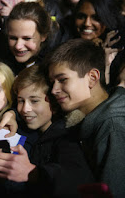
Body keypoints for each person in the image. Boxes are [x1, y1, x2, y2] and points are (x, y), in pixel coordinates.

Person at [0, 65, 94, 197]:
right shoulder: (21, 127)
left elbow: (76, 180)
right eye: (21, 101)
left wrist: (34, 173)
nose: (25, 109)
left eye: (34, 101)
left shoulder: (68, 138)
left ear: (54, 103)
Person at [45, 38, 125, 197]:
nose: (54, 90)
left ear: (92, 78)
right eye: (52, 82)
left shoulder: (112, 125)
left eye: (62, 80)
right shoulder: (99, 116)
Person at [4, 2, 52, 75]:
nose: (18, 46)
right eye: (13, 38)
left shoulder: (52, 69)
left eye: (27, 38)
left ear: (43, 36)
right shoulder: (3, 61)